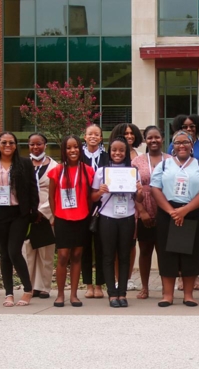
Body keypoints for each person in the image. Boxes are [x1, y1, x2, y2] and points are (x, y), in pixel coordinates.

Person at [0, 132, 40, 307]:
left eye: (11, 142)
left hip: (19, 213)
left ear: (16, 145)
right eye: (4, 142)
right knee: (4, 254)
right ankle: (9, 293)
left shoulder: (25, 163)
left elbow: (33, 189)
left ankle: (27, 289)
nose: (8, 145)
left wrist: (33, 211)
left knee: (14, 251)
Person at [151, 130, 199, 307]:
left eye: (185, 142)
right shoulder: (163, 165)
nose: (182, 145)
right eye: (177, 142)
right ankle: (167, 295)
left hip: (192, 211)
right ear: (172, 146)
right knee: (166, 253)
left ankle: (188, 294)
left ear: (192, 145)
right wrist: (172, 211)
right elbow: (155, 189)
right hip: (167, 211)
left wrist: (184, 210)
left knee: (190, 253)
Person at [92, 137, 143, 308]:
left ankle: (122, 292)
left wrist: (140, 191)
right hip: (107, 217)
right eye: (114, 150)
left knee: (124, 256)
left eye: (121, 150)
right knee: (108, 256)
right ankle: (112, 294)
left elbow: (139, 198)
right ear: (109, 151)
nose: (117, 153)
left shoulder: (133, 171)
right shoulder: (101, 172)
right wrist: (100, 191)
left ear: (126, 152)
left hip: (127, 217)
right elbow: (92, 197)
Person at [48, 135, 95, 307]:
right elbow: (51, 196)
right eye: (69, 148)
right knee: (62, 256)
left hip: (82, 218)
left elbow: (91, 196)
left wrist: (87, 211)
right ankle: (60, 294)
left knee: (77, 256)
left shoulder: (88, 170)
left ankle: (74, 295)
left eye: (75, 147)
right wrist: (55, 215)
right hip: (62, 218)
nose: (72, 150)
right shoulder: (57, 170)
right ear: (64, 150)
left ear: (80, 148)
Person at [167, 114, 199, 291]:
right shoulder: (173, 145)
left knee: (194, 244)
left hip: (196, 201)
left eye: (192, 126)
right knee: (176, 243)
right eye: (185, 126)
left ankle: (194, 277)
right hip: (175, 203)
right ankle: (179, 278)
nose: (189, 129)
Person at [132, 126, 171, 299]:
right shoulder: (137, 162)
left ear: (162, 138)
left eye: (156, 137)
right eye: (149, 138)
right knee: (145, 250)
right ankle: (145, 287)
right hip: (143, 209)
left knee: (164, 251)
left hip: (164, 210)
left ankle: (165, 288)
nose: (153, 141)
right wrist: (142, 211)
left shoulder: (171, 160)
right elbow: (132, 189)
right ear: (145, 140)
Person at [22, 133, 57, 299]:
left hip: (46, 215)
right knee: (28, 252)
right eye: (32, 144)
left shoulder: (55, 167)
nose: (35, 147)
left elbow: (57, 192)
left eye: (39, 144)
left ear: (45, 144)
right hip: (27, 215)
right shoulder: (22, 165)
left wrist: (42, 212)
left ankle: (44, 287)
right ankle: (29, 286)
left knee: (45, 253)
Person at [111, 123, 144, 291]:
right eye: (125, 133)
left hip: (135, 206)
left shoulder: (140, 156)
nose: (129, 136)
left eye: (132, 133)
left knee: (131, 244)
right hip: (113, 208)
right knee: (117, 245)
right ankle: (118, 279)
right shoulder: (110, 156)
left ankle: (129, 278)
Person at [80, 124, 109, 299]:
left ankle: (99, 285)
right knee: (84, 248)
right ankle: (88, 285)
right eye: (90, 134)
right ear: (85, 137)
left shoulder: (106, 157)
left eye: (96, 134)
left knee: (101, 247)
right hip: (82, 206)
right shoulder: (78, 155)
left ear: (100, 138)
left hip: (103, 206)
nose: (93, 137)